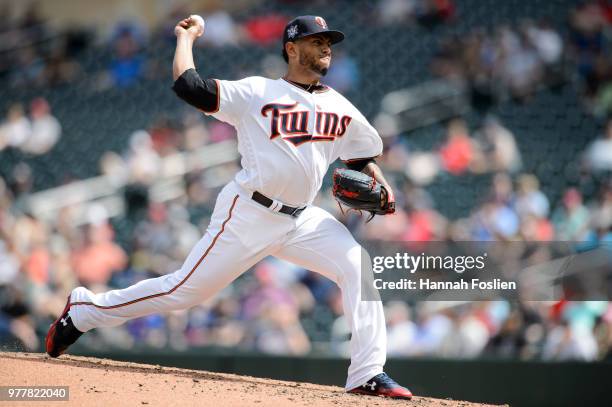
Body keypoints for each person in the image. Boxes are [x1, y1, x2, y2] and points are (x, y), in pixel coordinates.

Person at [46, 15, 412, 399]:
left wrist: (381, 182)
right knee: (184, 292)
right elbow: (189, 86)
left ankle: (367, 373)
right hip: (249, 213)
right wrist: (186, 38)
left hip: (303, 219)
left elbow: (361, 158)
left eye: (329, 42)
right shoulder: (258, 91)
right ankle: (85, 310)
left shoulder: (342, 108)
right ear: (291, 48)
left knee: (358, 265)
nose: (326, 48)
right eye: (316, 40)